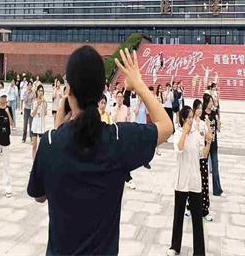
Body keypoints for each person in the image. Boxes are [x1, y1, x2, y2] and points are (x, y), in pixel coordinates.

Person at [27, 47, 172, 255]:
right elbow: (166, 127)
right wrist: (138, 84)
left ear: (69, 91)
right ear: (100, 92)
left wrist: (58, 130)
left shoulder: (50, 143)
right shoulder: (118, 139)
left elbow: (40, 196)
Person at [167, 104, 212, 256]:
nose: (191, 120)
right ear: (182, 119)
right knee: (178, 215)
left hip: (194, 180)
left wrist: (208, 142)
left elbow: (203, 154)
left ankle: (199, 252)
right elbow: (179, 149)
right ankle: (175, 247)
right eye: (188, 118)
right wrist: (185, 134)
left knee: (197, 218)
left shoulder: (197, 134)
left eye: (192, 118)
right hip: (181, 181)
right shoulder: (178, 133)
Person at [202, 92, 225, 197]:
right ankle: (202, 189)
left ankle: (217, 190)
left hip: (214, 144)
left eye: (212, 101)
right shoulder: (202, 115)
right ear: (206, 103)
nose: (212, 103)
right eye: (210, 101)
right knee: (203, 167)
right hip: (204, 145)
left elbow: (218, 129)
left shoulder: (214, 113)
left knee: (215, 167)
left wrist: (218, 121)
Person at [31, 84, 48, 159]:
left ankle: (40, 161)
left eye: (42, 91)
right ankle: (34, 162)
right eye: (39, 91)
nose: (41, 92)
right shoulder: (34, 101)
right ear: (37, 92)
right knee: (34, 146)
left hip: (41, 127)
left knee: (42, 147)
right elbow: (32, 114)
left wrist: (44, 103)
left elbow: (45, 113)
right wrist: (37, 105)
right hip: (35, 126)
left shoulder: (44, 102)